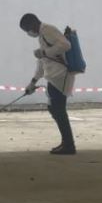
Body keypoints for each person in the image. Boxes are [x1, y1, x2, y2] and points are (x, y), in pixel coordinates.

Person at [19, 14, 76, 155]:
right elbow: (42, 62)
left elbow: (66, 45)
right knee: (54, 109)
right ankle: (66, 143)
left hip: (61, 76)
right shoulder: (42, 35)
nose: (28, 33)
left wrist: (44, 52)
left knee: (58, 110)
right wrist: (33, 82)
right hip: (53, 77)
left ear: (32, 25)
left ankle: (69, 145)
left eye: (27, 30)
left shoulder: (48, 30)